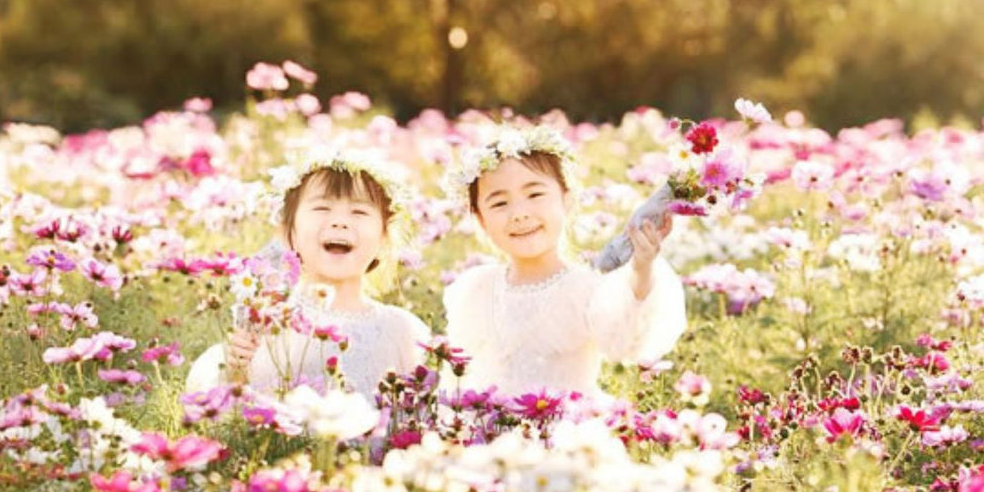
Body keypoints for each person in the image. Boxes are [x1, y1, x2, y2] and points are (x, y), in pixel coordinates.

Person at [442, 126, 685, 398]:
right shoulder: (476, 288)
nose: (519, 214)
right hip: (486, 432)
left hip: (564, 431)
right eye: (499, 203)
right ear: (480, 220)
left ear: (567, 200)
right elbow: (457, 378)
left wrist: (642, 269)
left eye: (534, 195)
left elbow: (627, 341)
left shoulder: (586, 287)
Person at [186, 151, 430, 397]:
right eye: (322, 208)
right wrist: (236, 369)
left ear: (384, 238)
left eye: (359, 212)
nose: (340, 222)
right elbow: (233, 416)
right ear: (290, 233)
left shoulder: (402, 331)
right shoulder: (268, 324)